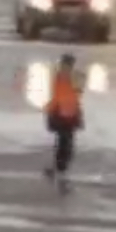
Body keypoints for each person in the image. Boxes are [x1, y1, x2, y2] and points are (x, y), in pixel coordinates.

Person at [44, 53, 84, 187]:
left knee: (67, 141)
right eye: (63, 64)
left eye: (66, 65)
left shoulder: (75, 77)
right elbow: (56, 96)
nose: (64, 67)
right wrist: (50, 110)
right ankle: (59, 166)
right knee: (61, 140)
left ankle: (62, 166)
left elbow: (78, 92)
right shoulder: (58, 77)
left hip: (71, 113)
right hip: (59, 112)